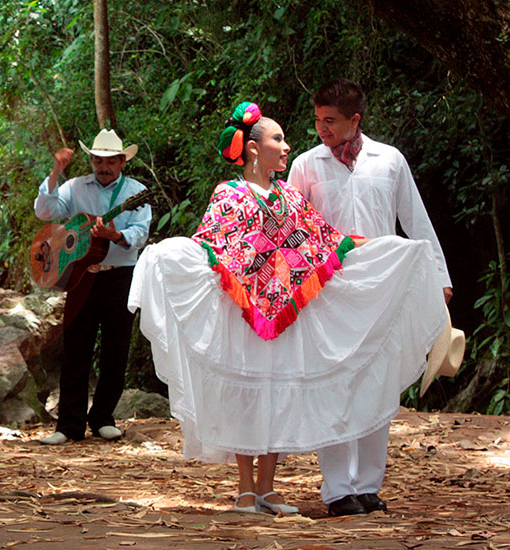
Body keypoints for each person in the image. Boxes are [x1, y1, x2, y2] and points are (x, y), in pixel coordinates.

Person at [128, 101, 446, 515]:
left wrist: (387, 251)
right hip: (242, 314)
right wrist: (170, 257)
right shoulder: (230, 194)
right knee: (246, 396)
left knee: (278, 395)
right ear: (255, 148)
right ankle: (245, 487)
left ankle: (267, 487)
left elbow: (325, 243)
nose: (286, 146)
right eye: (278, 139)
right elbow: (213, 245)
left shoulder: (288, 198)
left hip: (284, 317)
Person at [288, 79, 453, 516]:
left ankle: (369, 485)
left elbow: (415, 220)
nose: (321, 128)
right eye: (318, 119)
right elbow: (291, 231)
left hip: (383, 289)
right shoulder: (306, 164)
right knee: (333, 385)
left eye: (331, 121)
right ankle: (338, 489)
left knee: (377, 384)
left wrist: (439, 277)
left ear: (354, 120)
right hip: (328, 291)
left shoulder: (389, 160)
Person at [33, 129, 151, 445]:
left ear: (122, 161)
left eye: (110, 161)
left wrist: (116, 236)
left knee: (115, 348)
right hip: (82, 274)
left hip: (120, 275)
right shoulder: (73, 187)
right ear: (91, 160)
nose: (104, 166)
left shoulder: (136, 191)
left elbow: (141, 231)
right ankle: (68, 426)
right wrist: (56, 173)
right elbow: (45, 212)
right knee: (75, 347)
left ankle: (102, 419)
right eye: (98, 160)